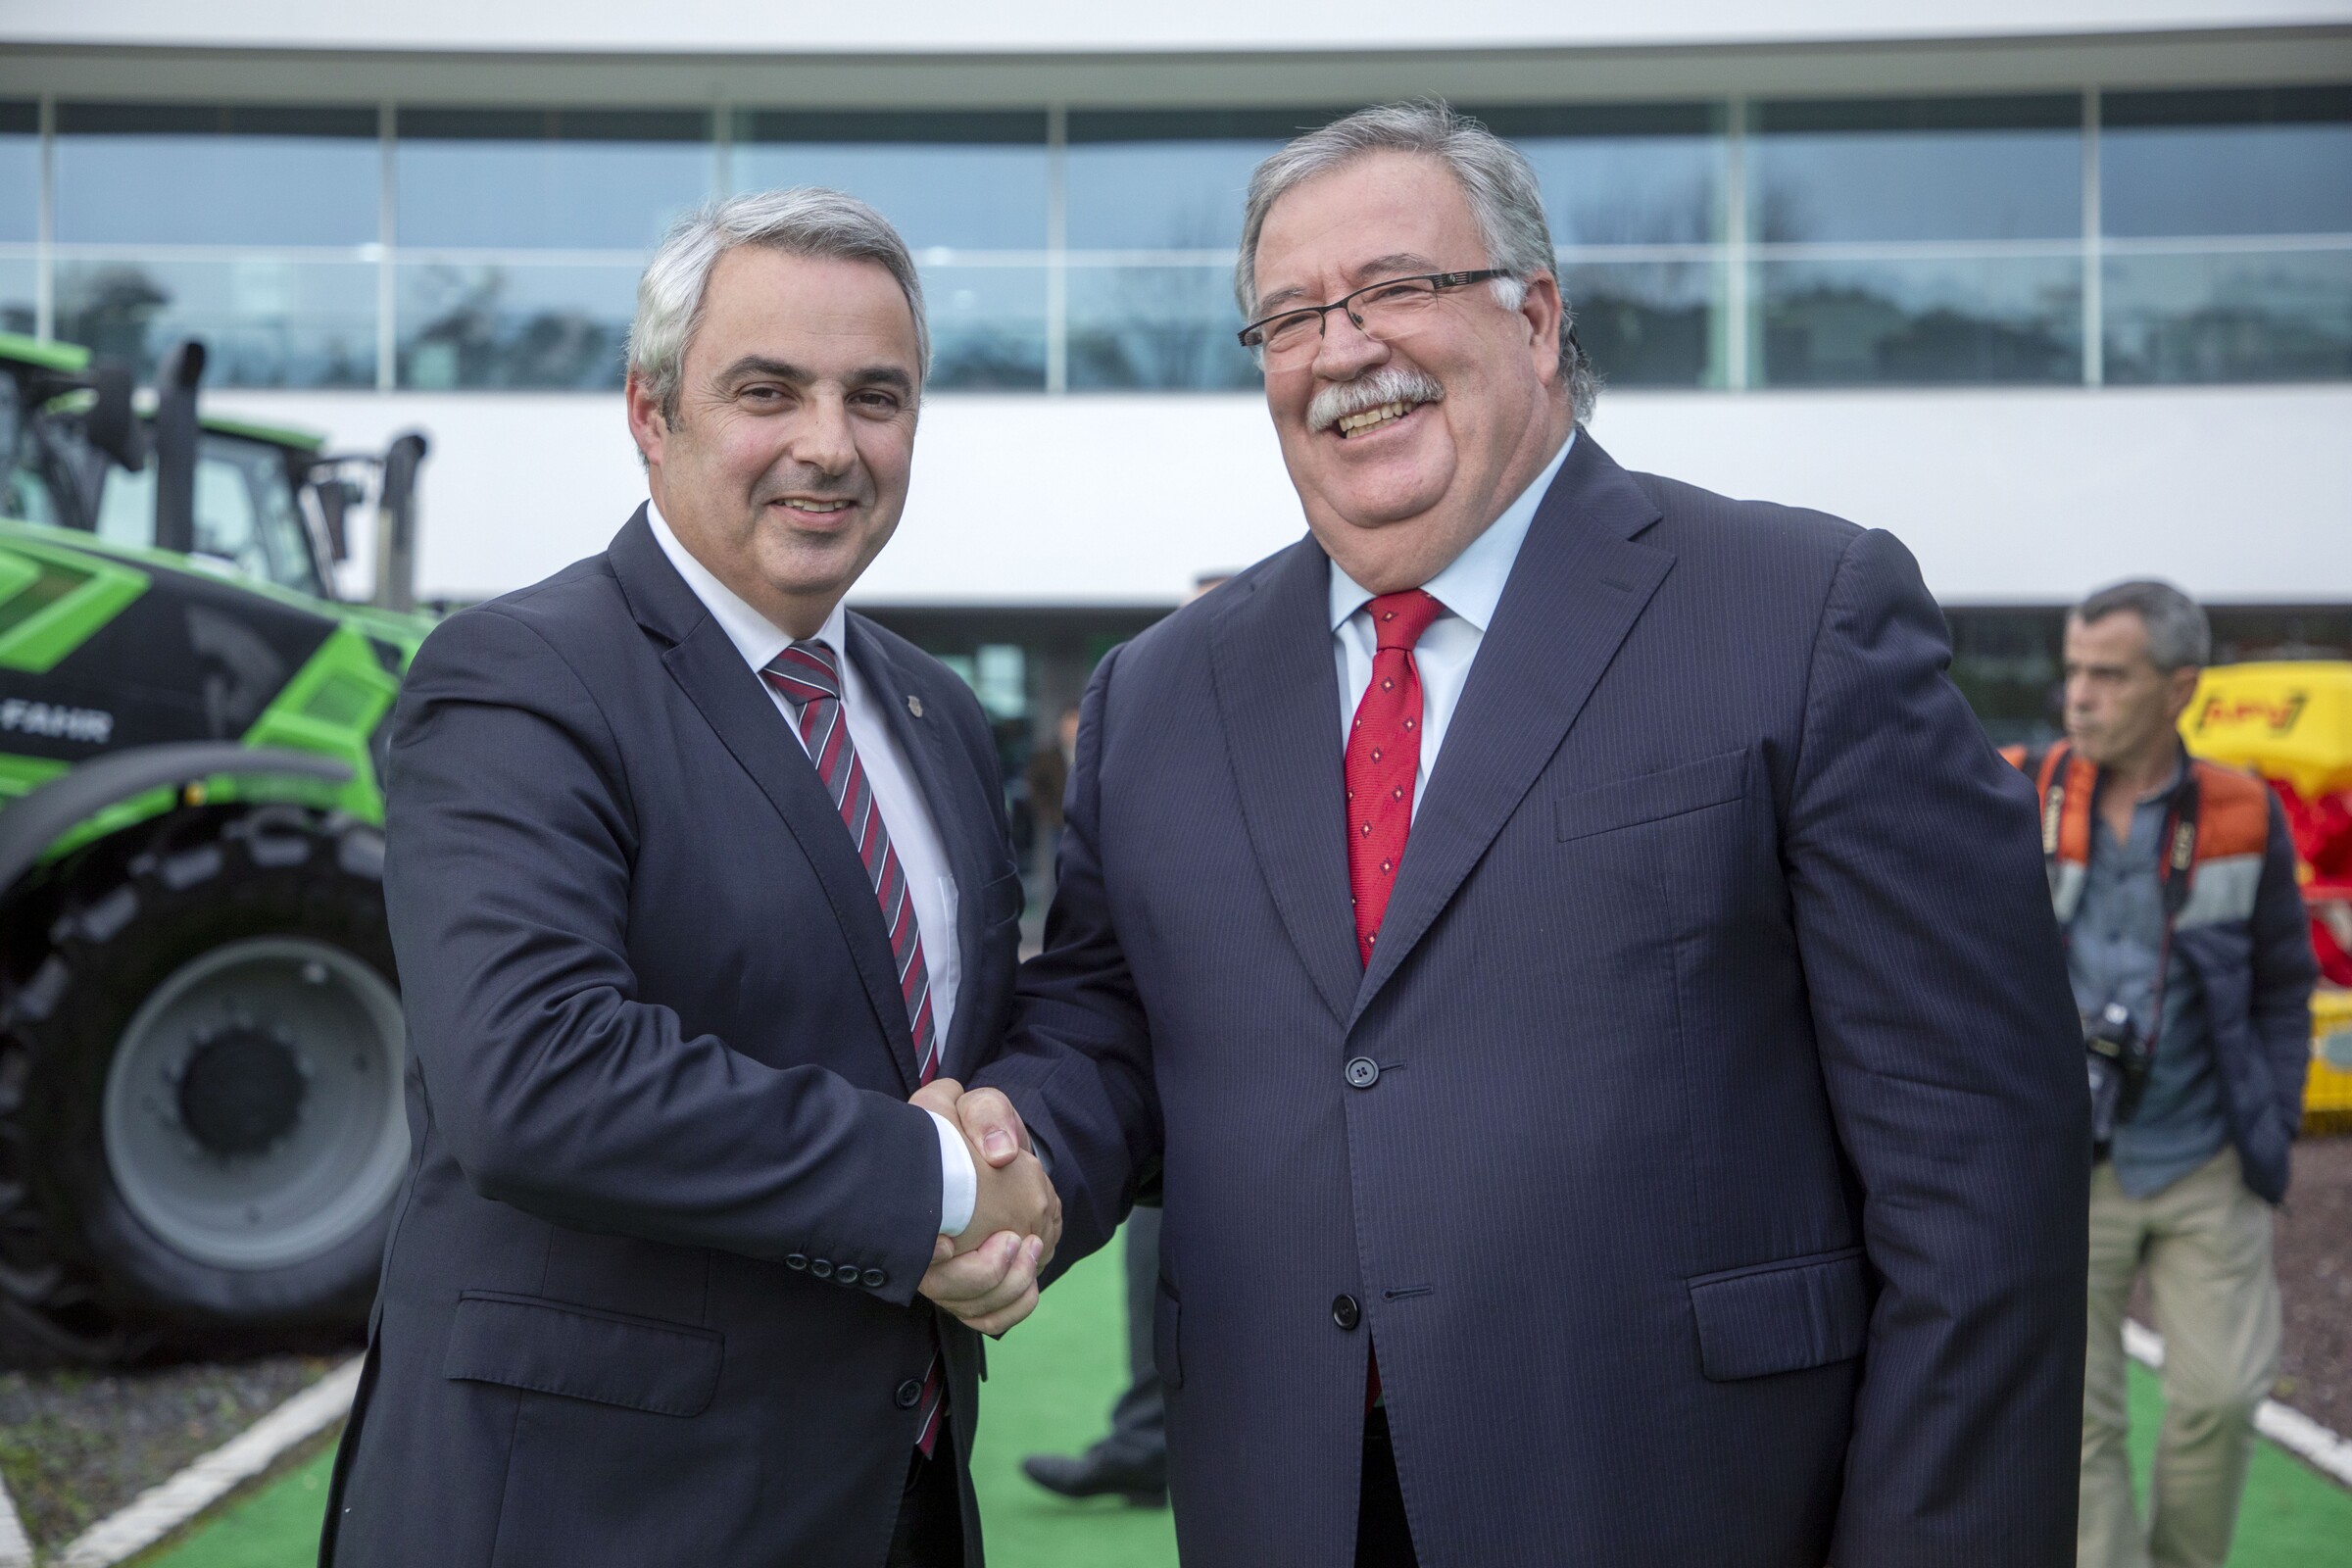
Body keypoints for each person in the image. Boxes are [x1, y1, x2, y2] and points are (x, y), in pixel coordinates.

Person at [931, 101, 2090, 1566]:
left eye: (1396, 288)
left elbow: (1981, 1179)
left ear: (1537, 318)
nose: (1342, 349)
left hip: (1679, 1500)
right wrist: (1012, 1154)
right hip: (1288, 1502)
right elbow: (1110, 1024)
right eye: (1290, 317)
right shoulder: (1158, 693)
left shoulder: (1802, 615)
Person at [319, 189, 1057, 1568]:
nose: (829, 445)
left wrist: (1018, 1172)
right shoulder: (518, 676)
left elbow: (977, 1050)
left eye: (877, 397)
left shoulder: (938, 714)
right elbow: (539, 1077)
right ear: (650, 413)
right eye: (768, 391)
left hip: (887, 1501)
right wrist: (940, 1182)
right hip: (595, 1512)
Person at [2008, 580, 2316, 1568]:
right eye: (2073, 670)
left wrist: (2269, 1118)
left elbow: (2285, 982)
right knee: (2076, 1418)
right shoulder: (2013, 789)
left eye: (2110, 674)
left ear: (2180, 687)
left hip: (2203, 1156)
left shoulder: (2242, 809)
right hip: (2060, 1164)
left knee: (2224, 1396)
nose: (2079, 694)